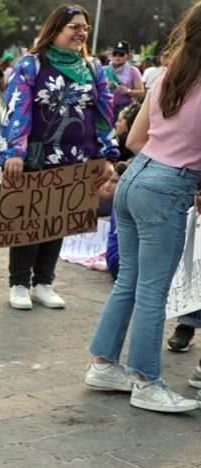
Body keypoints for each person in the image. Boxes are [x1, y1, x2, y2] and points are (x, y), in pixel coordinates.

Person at [86, 2, 201, 414]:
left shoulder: (169, 75)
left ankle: (103, 364)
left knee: (130, 281)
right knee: (152, 289)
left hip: (137, 175)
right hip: (169, 185)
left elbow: (134, 139)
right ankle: (146, 380)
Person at [0, 4, 117, 311]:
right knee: (30, 220)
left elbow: (104, 115)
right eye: (74, 27)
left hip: (76, 157)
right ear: (56, 29)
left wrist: (105, 153)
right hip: (36, 156)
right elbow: (17, 107)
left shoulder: (93, 69)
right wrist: (15, 151)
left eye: (84, 28)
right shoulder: (32, 64)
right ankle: (20, 284)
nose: (80, 33)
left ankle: (44, 283)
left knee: (58, 221)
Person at [107, 40, 145, 123]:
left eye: (121, 54)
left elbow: (141, 92)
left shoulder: (133, 71)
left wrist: (128, 91)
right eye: (115, 54)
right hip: (106, 108)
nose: (117, 57)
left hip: (123, 110)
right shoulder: (104, 70)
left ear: (127, 56)